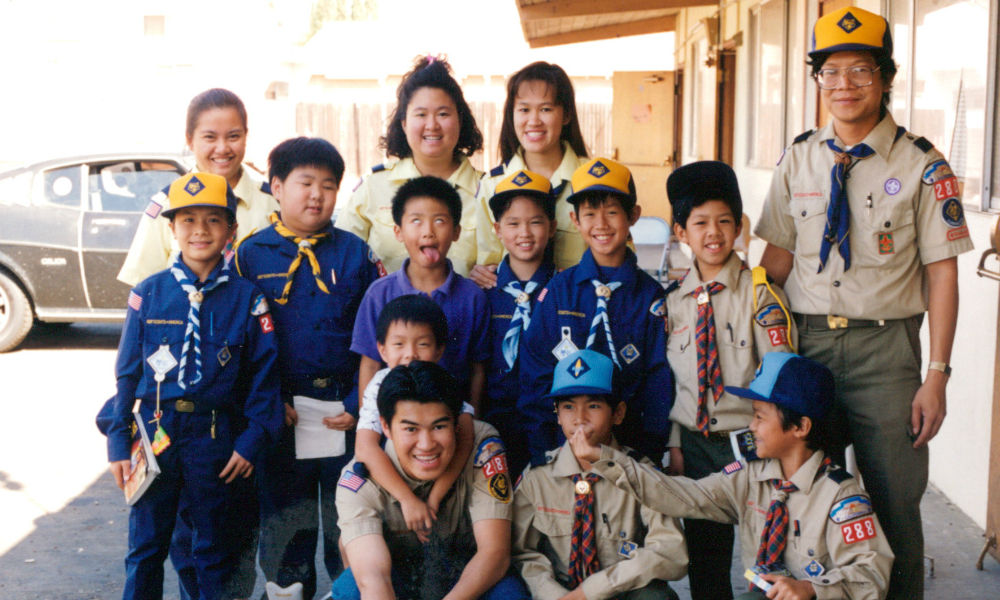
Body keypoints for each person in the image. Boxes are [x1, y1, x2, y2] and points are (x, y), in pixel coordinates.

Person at [754, 8, 973, 598]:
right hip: (807, 346)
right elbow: (774, 265)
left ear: (885, 77)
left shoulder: (923, 166)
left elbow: (944, 277)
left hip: (887, 355)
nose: (844, 84)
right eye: (830, 71)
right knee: (798, 499)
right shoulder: (797, 158)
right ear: (816, 79)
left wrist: (937, 376)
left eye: (861, 70)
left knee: (895, 507)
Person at [577, 352, 895, 600]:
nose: (752, 426)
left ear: (800, 427)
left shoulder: (840, 496)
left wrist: (811, 589)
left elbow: (872, 574)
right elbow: (682, 495)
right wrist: (606, 459)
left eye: (759, 416)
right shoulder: (750, 476)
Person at [106, 172, 283, 600]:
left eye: (212, 221)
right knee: (145, 548)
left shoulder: (248, 299)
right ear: (171, 230)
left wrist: (251, 440)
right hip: (154, 435)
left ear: (231, 231)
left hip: (213, 439)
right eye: (187, 221)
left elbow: (264, 377)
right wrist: (117, 442)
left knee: (211, 549)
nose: (199, 231)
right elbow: (126, 373)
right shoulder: (149, 294)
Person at [233, 137, 381, 600]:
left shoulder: (356, 255)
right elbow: (243, 343)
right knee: (286, 527)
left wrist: (357, 405)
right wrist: (270, 401)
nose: (316, 194)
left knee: (350, 523)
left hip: (343, 410)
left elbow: (372, 341)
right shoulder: (249, 255)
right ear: (277, 187)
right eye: (305, 182)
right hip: (283, 414)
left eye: (328, 185)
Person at [664, 161, 797, 600]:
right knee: (706, 560)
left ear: (740, 226)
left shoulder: (760, 294)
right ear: (681, 232)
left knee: (767, 559)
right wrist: (676, 443)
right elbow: (677, 385)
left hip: (754, 445)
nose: (714, 233)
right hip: (698, 445)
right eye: (700, 223)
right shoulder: (675, 303)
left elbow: (781, 377)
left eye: (725, 221)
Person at [519, 157, 673, 465]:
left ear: (633, 216)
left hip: (629, 454)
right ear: (575, 221)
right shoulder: (559, 292)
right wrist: (544, 454)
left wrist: (648, 458)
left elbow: (658, 384)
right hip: (561, 451)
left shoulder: (650, 297)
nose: (601, 224)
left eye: (612, 212)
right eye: (589, 214)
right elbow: (535, 375)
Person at [331, 361, 529, 600]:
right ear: (385, 426)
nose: (426, 445)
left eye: (438, 426)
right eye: (411, 429)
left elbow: (495, 553)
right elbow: (374, 579)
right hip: (402, 580)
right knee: (350, 589)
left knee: (509, 595)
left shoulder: (482, 447)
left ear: (456, 423)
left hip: (467, 573)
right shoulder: (360, 480)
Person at [512, 349, 687, 600]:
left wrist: (594, 590)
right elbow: (521, 553)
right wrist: (553, 594)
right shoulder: (538, 477)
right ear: (557, 415)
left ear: (618, 413)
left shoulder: (640, 473)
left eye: (593, 406)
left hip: (621, 589)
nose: (580, 419)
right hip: (560, 592)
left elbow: (671, 552)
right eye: (568, 407)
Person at [350, 175, 490, 413]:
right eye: (416, 221)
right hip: (396, 423)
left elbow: (478, 369)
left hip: (452, 418)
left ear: (456, 231)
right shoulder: (379, 294)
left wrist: (473, 420)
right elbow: (371, 364)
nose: (428, 232)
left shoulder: (473, 297)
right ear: (398, 231)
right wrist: (370, 427)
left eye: (439, 221)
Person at [335, 55, 484, 277]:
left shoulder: (487, 190)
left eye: (443, 114)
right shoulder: (373, 187)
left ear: (460, 121)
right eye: (421, 114)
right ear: (404, 123)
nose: (432, 125)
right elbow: (341, 257)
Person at [118, 88, 277, 287]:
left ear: (246, 135)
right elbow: (143, 289)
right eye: (210, 137)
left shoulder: (274, 202)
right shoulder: (166, 205)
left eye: (233, 136)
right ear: (189, 139)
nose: (222, 148)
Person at [353, 294, 477, 544]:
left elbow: (466, 435)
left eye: (422, 344)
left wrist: (434, 499)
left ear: (440, 349)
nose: (410, 355)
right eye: (399, 344)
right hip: (393, 484)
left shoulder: (440, 383)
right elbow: (364, 446)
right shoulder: (378, 385)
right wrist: (407, 500)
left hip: (442, 479)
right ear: (382, 349)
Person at [470, 61, 590, 287]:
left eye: (546, 109)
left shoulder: (591, 179)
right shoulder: (492, 184)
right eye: (524, 109)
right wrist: (481, 273)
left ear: (566, 115)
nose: (534, 121)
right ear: (512, 115)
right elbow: (489, 262)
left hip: (581, 306)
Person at [482, 169, 557, 478]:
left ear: (552, 227)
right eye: (513, 223)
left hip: (547, 423)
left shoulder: (563, 292)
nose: (524, 233)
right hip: (493, 422)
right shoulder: (483, 292)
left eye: (535, 222)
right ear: (498, 229)